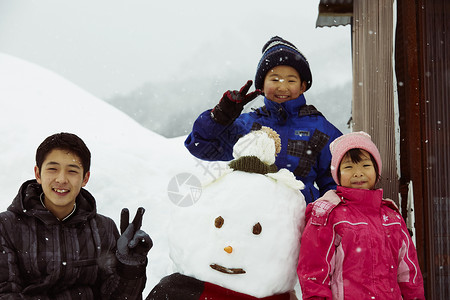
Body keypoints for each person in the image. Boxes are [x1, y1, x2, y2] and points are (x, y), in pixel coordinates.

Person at [185, 36, 342, 204]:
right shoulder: (247, 125)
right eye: (274, 80)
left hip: (300, 222)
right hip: (252, 219)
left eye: (291, 80)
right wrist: (220, 118)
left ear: (302, 86)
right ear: (261, 86)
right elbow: (200, 145)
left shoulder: (319, 129)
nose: (282, 87)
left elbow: (337, 184)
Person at [0, 132, 152, 299]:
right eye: (52, 169)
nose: (61, 179)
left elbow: (118, 297)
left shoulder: (104, 228)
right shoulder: (7, 227)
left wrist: (128, 268)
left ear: (85, 178)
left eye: (72, 171)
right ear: (38, 174)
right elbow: (6, 294)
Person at [297, 131, 425, 299]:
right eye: (349, 167)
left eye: (365, 165)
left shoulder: (391, 217)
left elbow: (409, 273)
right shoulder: (328, 215)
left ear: (376, 170)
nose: (358, 173)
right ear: (337, 174)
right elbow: (314, 272)